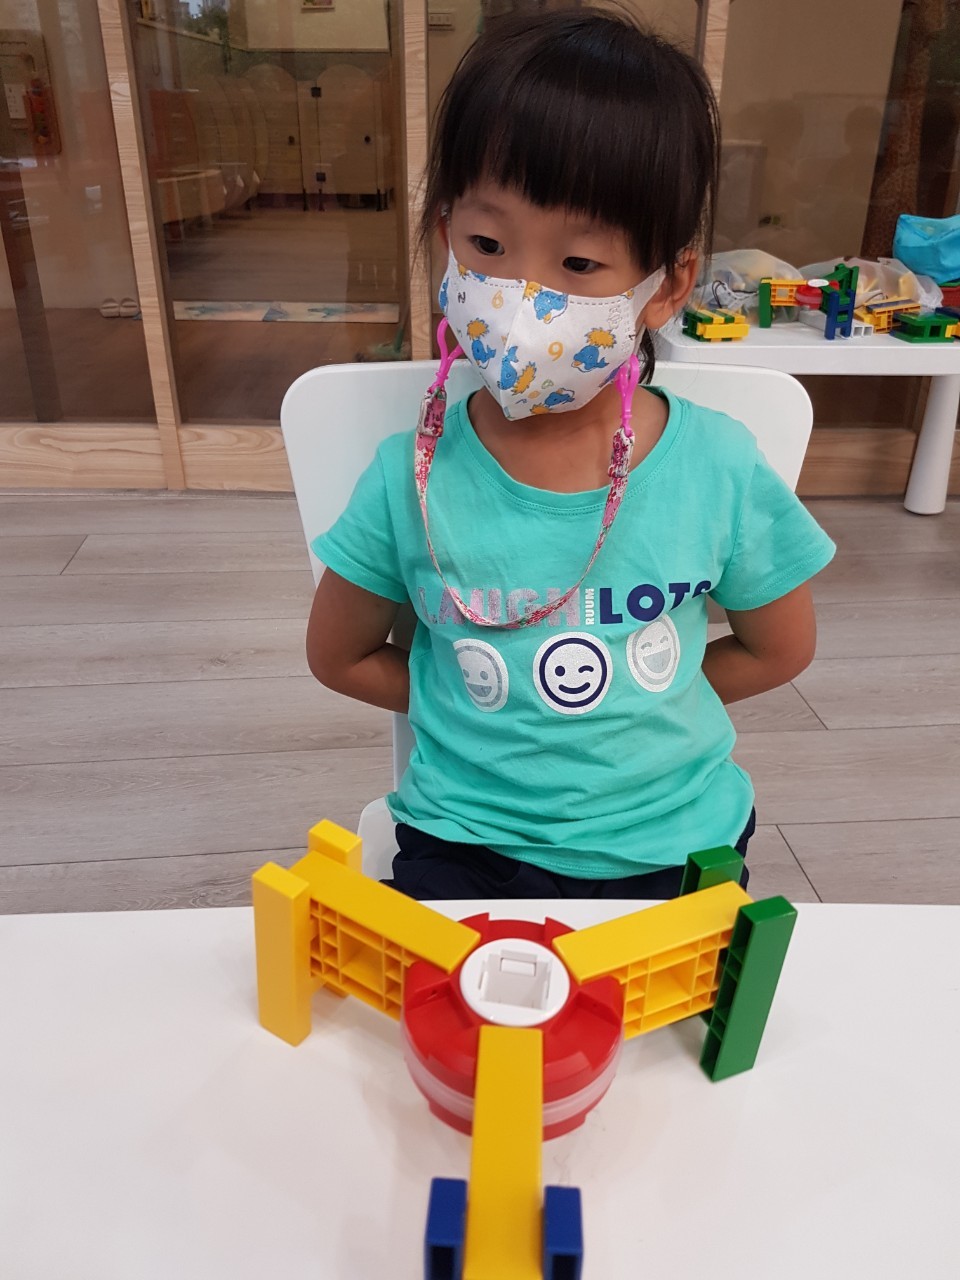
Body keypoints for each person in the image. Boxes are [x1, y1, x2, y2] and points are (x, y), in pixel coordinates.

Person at [306, 9, 835, 901]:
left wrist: (644, 710)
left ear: (666, 284)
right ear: (445, 234)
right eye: (487, 246)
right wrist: (482, 711)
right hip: (465, 838)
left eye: (580, 263)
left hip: (676, 838)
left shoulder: (717, 467)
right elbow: (339, 656)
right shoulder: (409, 479)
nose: (521, 300)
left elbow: (780, 648)